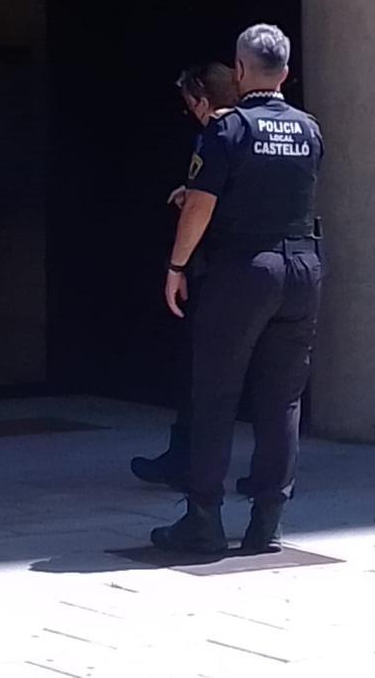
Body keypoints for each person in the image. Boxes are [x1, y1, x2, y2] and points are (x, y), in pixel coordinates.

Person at [151, 24, 323, 555]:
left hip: (244, 270)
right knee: (282, 400)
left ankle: (203, 516)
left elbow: (202, 205)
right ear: (287, 74)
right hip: (304, 268)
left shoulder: (228, 130)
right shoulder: (310, 129)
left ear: (240, 71)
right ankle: (267, 520)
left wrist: (177, 264)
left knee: (216, 394)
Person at [130, 63, 240, 491]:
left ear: (200, 100)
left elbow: (206, 206)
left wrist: (176, 266)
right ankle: (270, 479)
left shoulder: (218, 134)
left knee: (201, 371)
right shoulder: (269, 131)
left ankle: (191, 468)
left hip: (220, 269)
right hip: (278, 267)